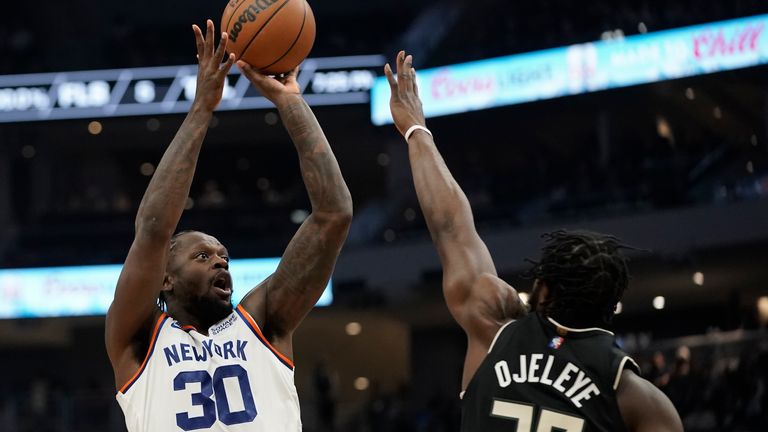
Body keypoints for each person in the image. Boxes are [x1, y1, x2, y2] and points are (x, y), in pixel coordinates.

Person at [383, 50, 683, 432]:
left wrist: (415, 130)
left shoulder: (494, 325)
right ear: (613, 305)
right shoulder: (639, 400)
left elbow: (451, 227)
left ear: (542, 288)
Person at [105, 21, 352, 431]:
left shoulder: (264, 320)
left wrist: (290, 101)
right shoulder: (137, 337)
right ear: (164, 279)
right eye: (202, 256)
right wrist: (202, 107)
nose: (221, 263)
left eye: (223, 256)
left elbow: (334, 214)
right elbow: (153, 228)